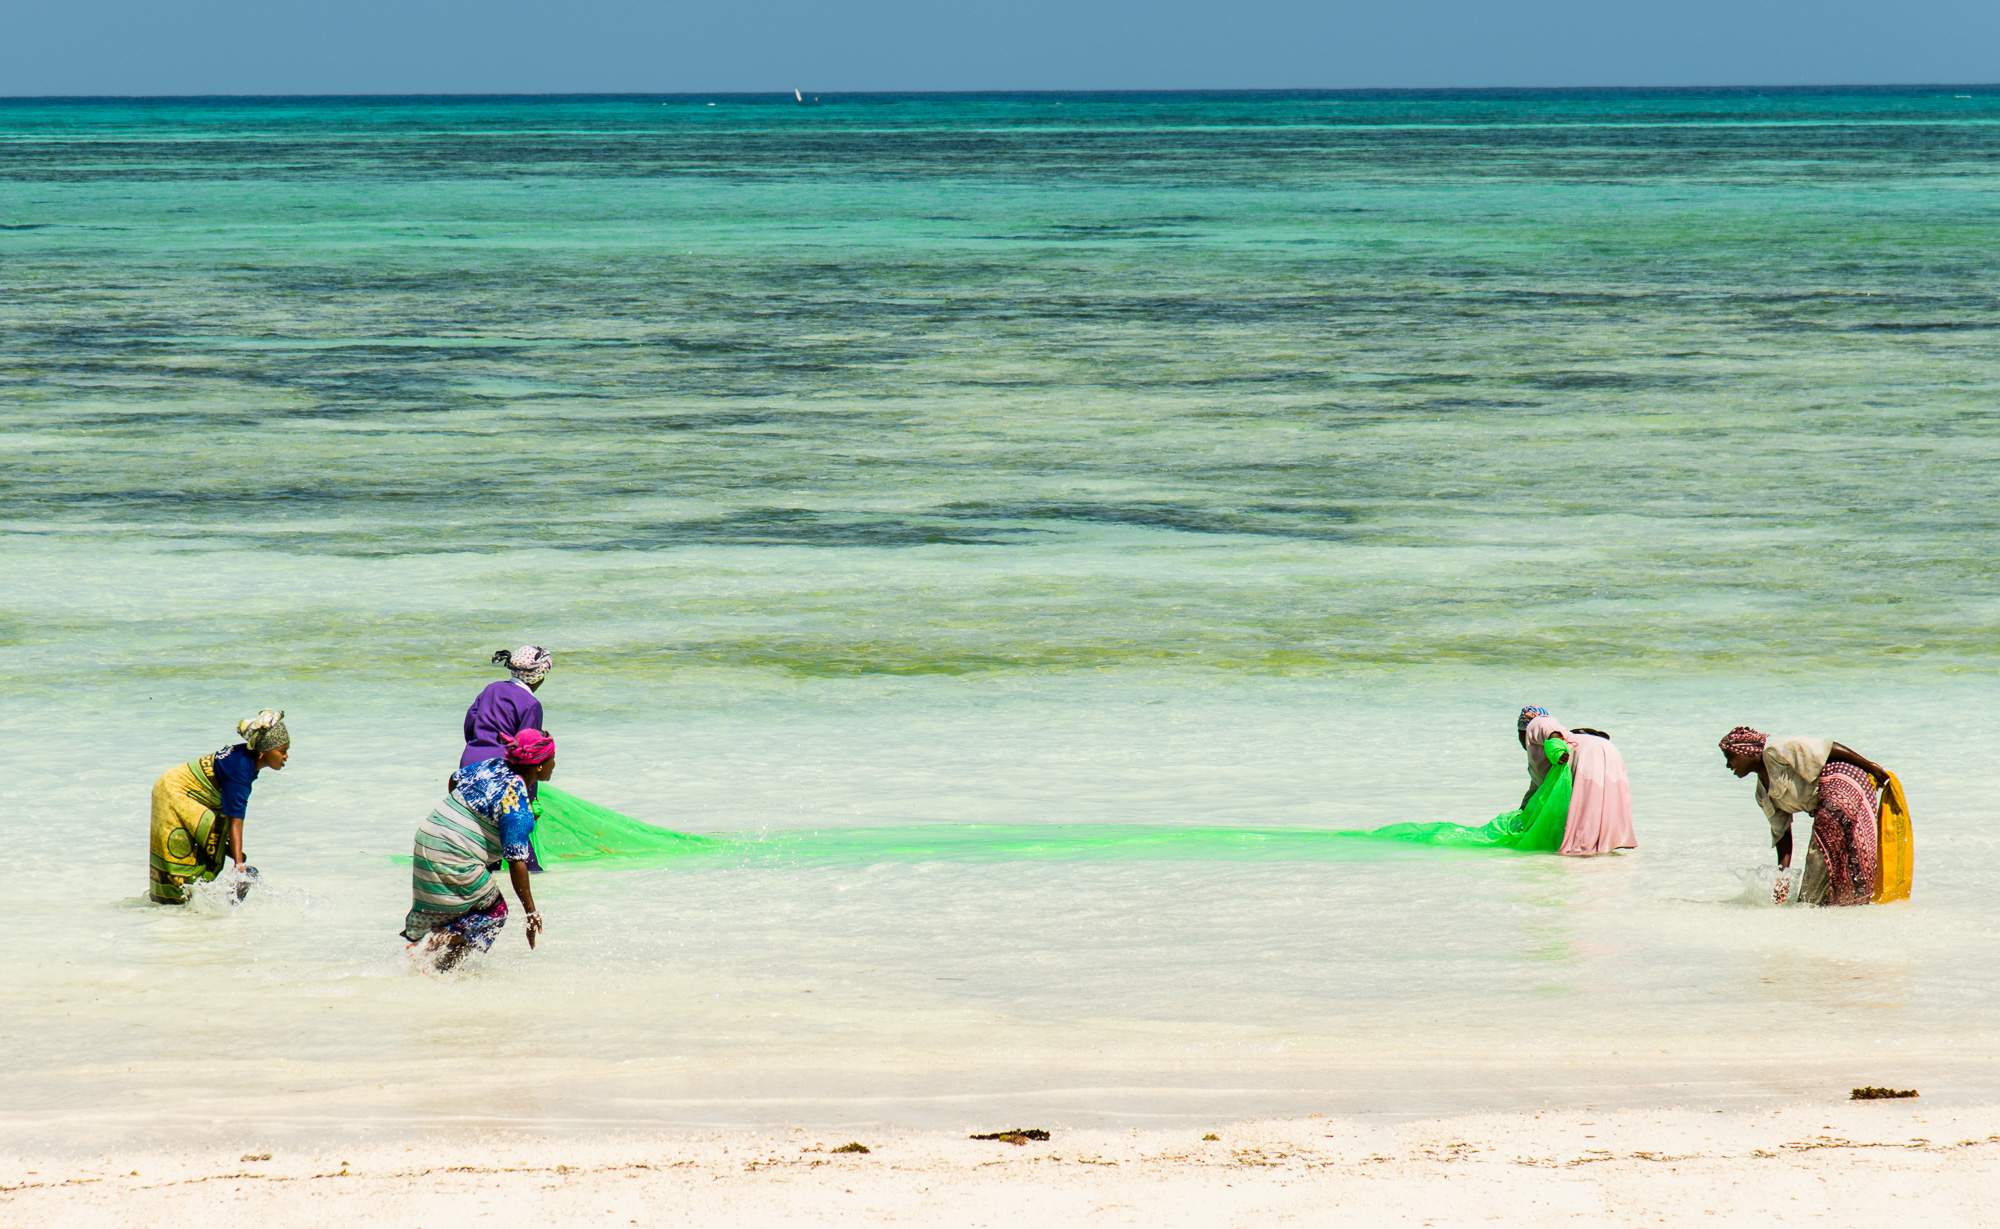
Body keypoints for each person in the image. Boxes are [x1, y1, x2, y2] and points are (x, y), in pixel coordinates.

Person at [404, 728, 554, 971]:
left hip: (429, 835)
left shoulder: (493, 765)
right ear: (538, 766)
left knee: (465, 914)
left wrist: (464, 820)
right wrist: (531, 913)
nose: (554, 764)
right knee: (494, 913)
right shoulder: (516, 803)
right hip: (452, 851)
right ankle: (428, 947)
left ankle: (438, 972)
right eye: (552, 759)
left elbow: (455, 779)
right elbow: (516, 862)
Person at [1720, 727, 1890, 906]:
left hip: (1846, 781)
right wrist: (1782, 878)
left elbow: (1829, 748)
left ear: (1747, 752)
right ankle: (1842, 904)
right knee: (1840, 855)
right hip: (1830, 805)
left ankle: (1814, 904)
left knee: (1821, 847)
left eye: (1730, 757)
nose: (1728, 765)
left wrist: (1869, 766)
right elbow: (1782, 834)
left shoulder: (1778, 752)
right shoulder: (1763, 795)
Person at [148, 710, 292, 904]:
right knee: (192, 853)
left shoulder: (244, 755)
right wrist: (239, 866)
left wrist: (234, 853)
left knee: (213, 843)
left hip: (175, 787)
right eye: (282, 751)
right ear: (262, 752)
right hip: (173, 793)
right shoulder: (240, 771)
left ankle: (188, 909)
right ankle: (176, 908)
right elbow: (236, 821)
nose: (286, 756)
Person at [1518, 707, 1636, 856]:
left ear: (1521, 731)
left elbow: (1548, 728)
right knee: (1603, 798)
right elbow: (1535, 790)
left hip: (1585, 752)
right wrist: (1521, 815)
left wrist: (1557, 751)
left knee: (1583, 804)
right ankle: (1607, 844)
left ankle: (1583, 849)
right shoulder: (1539, 759)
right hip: (1608, 750)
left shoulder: (1535, 723)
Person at [463, 645, 553, 793]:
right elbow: (529, 753)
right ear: (538, 677)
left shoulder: (492, 688)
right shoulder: (531, 704)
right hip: (500, 772)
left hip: (469, 761)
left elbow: (470, 722)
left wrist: (478, 746)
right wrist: (531, 796)